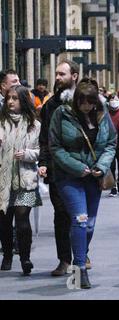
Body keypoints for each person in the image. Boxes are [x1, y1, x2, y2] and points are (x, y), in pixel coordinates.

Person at [48, 81, 116, 288]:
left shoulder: (103, 115)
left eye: (90, 102)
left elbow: (111, 144)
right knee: (80, 219)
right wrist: (78, 167)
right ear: (76, 100)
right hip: (68, 176)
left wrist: (101, 167)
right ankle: (79, 269)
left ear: (96, 102)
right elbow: (55, 146)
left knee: (89, 225)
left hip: (93, 178)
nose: (86, 106)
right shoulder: (61, 113)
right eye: (82, 102)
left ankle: (81, 255)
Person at [38, 59, 79, 276]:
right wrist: (44, 162)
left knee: (81, 215)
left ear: (74, 76)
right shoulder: (51, 105)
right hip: (57, 169)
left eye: (62, 74)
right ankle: (64, 259)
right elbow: (44, 138)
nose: (57, 77)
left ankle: (82, 254)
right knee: (61, 214)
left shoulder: (86, 101)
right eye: (56, 73)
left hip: (82, 168)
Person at [0, 85, 41, 275]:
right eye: (8, 98)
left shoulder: (35, 125)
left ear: (23, 100)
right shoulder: (0, 123)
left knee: (23, 221)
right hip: (3, 180)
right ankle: (7, 255)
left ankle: (25, 258)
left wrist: (27, 154)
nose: (10, 102)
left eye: (15, 98)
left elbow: (42, 152)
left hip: (26, 180)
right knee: (4, 221)